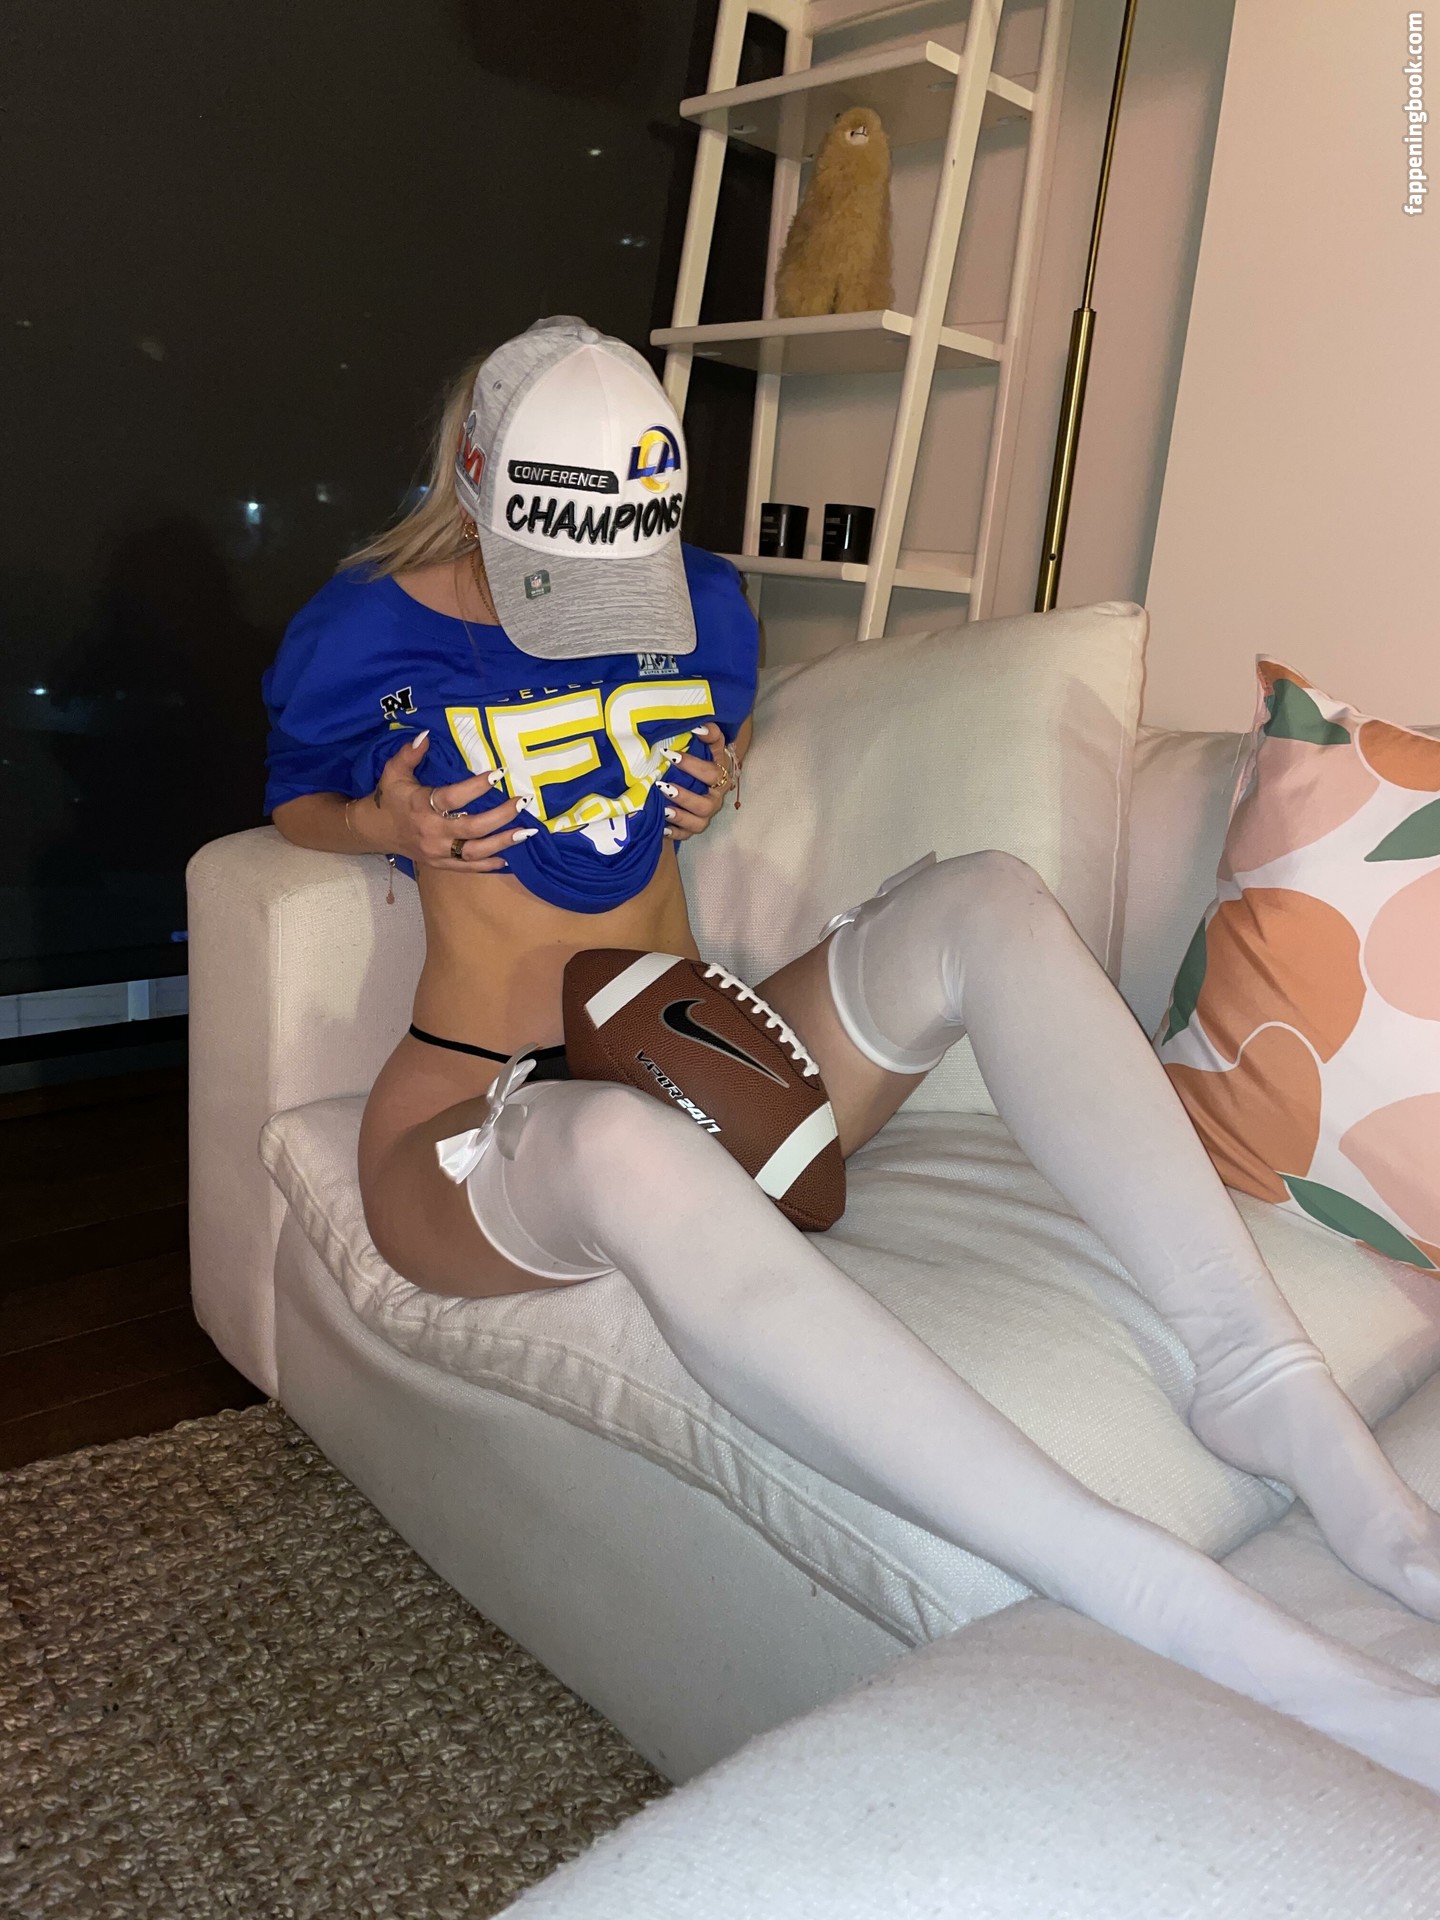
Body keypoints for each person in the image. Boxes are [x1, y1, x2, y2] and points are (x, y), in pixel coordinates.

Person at [266, 316, 1440, 1791]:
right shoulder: (363, 631)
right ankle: (1142, 1586)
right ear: (476, 469)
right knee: (616, 1139)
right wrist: (379, 823)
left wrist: (709, 781)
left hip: (706, 1064)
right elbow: (298, 799)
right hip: (478, 1106)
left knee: (988, 900)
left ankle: (1263, 1373)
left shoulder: (694, 601)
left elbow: (688, 755)